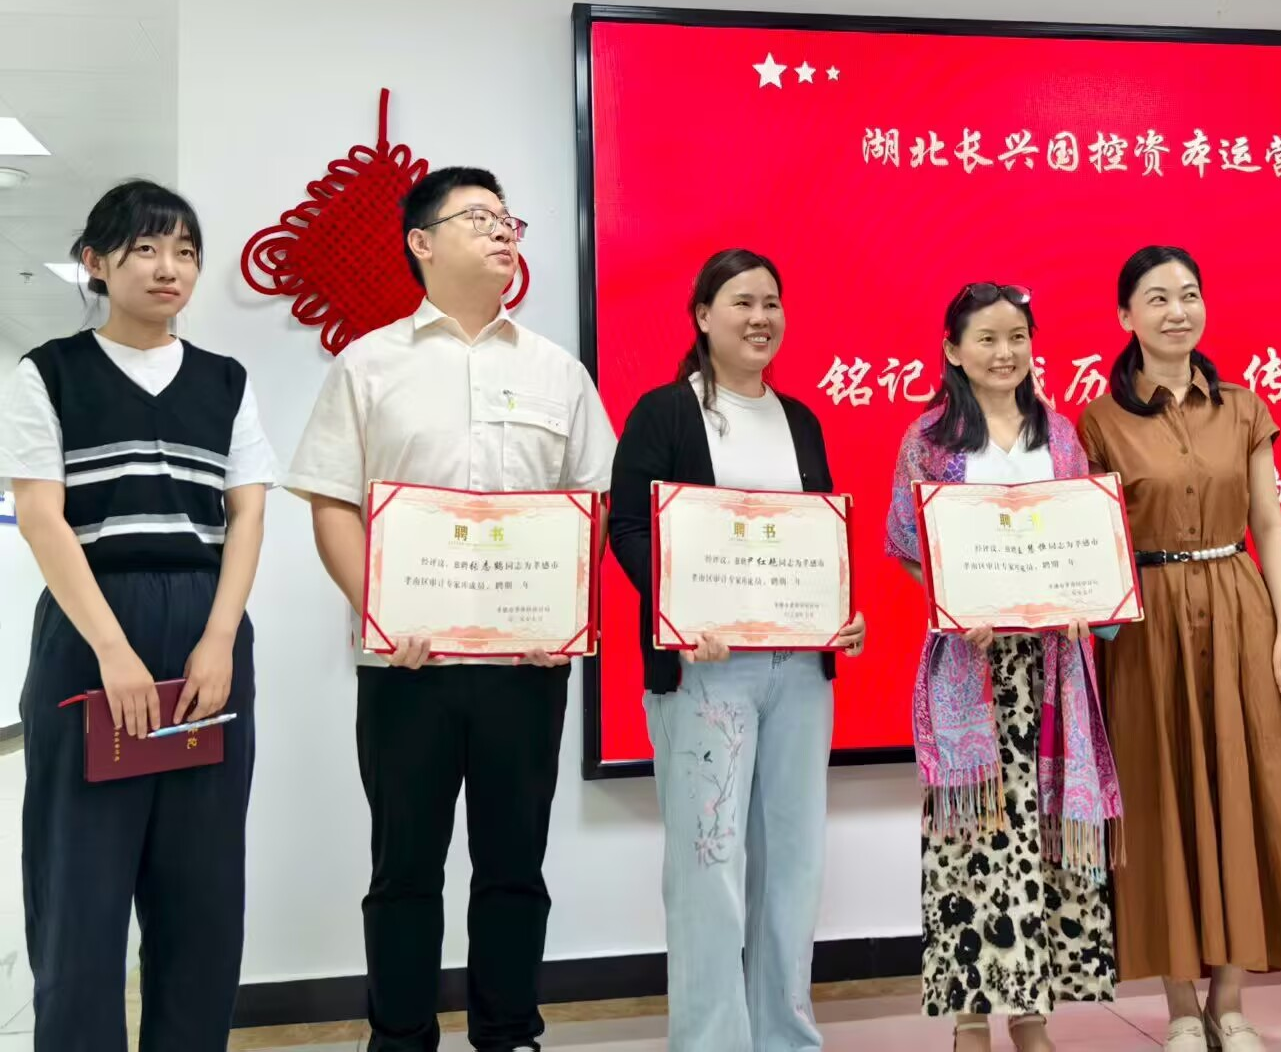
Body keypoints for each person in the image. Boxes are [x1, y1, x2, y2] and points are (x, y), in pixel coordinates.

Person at [285, 166, 618, 1052]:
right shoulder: (368, 365)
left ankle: (509, 1034)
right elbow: (332, 503)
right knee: (404, 870)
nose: (503, 232)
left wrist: (563, 613)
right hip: (407, 667)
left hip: (526, 667)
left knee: (514, 868)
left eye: (509, 220)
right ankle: (399, 1039)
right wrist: (380, 612)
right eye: (479, 217)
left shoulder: (557, 371)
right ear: (422, 242)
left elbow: (593, 503)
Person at [0, 181, 275, 1051]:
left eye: (185, 251)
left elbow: (248, 513)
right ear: (96, 261)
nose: (170, 268)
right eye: (147, 248)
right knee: (79, 887)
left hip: (206, 632)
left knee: (202, 889)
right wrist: (113, 650)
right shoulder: (49, 373)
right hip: (91, 629)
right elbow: (43, 517)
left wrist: (220, 638)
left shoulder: (226, 381)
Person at [1076, 246, 1281, 1052]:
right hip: (1144, 623)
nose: (1176, 310)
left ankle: (1230, 1000)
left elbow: (1269, 524)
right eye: (1156, 298)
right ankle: (1180, 1005)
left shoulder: (1244, 408)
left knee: (1244, 791)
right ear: (1125, 316)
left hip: (1237, 607)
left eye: (1189, 294)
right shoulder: (1099, 421)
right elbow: (1091, 538)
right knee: (1161, 798)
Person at [608, 249, 867, 1052]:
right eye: (742, 301)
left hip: (800, 673)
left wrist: (842, 614)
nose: (760, 318)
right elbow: (628, 527)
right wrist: (682, 611)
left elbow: (816, 542)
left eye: (772, 302)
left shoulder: (801, 419)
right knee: (709, 867)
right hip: (706, 671)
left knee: (793, 864)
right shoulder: (664, 412)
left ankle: (787, 1036)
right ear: (702, 315)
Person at [884, 283, 1122, 1052]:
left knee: (1042, 837)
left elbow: (1085, 538)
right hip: (971, 665)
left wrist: (1086, 599)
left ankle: (1031, 1014)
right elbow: (908, 541)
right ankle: (969, 1016)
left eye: (1017, 336)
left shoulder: (1061, 434)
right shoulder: (929, 437)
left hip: (1051, 669)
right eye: (986, 338)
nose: (1004, 351)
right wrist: (958, 603)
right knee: (975, 839)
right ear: (953, 349)